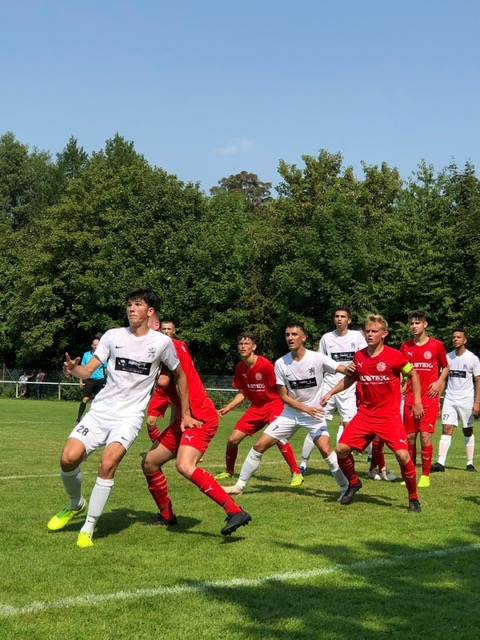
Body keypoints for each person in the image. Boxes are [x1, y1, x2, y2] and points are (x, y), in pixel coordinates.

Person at [47, 288, 198, 548]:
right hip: (101, 411)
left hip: (129, 417)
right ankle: (75, 503)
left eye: (137, 304)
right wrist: (74, 370)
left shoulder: (162, 343)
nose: (131, 308)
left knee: (107, 464)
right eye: (129, 304)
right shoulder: (112, 336)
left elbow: (180, 375)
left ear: (150, 311)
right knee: (67, 458)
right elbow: (88, 370)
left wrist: (184, 412)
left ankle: (88, 527)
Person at [141, 314, 251, 536]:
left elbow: (165, 381)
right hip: (185, 418)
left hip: (199, 416)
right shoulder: (172, 346)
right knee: (150, 463)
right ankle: (166, 515)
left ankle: (235, 511)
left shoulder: (170, 346)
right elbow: (176, 387)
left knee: (184, 465)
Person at [224, 322, 351, 498]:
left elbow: (345, 370)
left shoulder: (317, 358)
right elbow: (283, 396)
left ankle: (345, 488)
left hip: (314, 415)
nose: (290, 338)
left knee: (325, 448)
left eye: (294, 334)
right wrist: (305, 408)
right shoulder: (281, 363)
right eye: (287, 335)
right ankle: (239, 485)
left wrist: (351, 373)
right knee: (259, 445)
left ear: (303, 338)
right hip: (290, 414)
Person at [322, 314, 424, 512]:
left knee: (403, 456)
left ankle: (413, 498)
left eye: (374, 331)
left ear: (384, 334)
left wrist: (417, 401)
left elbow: (413, 374)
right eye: (367, 331)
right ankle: (354, 482)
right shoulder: (359, 356)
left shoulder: (395, 356)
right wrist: (330, 392)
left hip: (389, 417)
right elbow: (351, 378)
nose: (369, 334)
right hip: (365, 415)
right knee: (341, 449)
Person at [214, 332, 302, 486]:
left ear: (253, 347)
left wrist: (290, 404)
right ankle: (229, 471)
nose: (243, 347)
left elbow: (280, 388)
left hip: (274, 404)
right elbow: (242, 393)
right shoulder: (240, 367)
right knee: (232, 440)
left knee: (278, 437)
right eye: (241, 344)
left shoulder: (265, 365)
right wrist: (228, 407)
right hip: (256, 408)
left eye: (246, 344)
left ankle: (296, 472)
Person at [298, 308, 367, 475]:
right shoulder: (326, 338)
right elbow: (319, 362)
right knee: (315, 422)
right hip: (328, 386)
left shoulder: (357, 337)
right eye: (337, 316)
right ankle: (303, 463)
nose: (339, 319)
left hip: (348, 387)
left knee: (348, 427)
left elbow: (365, 357)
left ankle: (345, 467)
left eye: (343, 316)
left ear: (349, 320)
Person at [399, 310, 449, 487]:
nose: (414, 326)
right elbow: (401, 370)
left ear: (425, 324)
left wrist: (439, 382)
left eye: (417, 323)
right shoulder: (405, 346)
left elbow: (445, 367)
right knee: (410, 438)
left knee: (425, 436)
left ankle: (425, 476)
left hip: (429, 398)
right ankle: (411, 474)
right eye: (411, 323)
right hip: (410, 398)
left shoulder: (436, 345)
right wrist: (399, 387)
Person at [431, 329, 480, 473]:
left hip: (466, 399)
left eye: (458, 337)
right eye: (453, 337)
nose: (455, 339)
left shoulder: (473, 359)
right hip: (450, 398)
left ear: (465, 340)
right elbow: (443, 380)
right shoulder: (448, 357)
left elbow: (478, 380)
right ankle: (441, 463)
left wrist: (477, 402)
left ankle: (470, 463)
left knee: (467, 430)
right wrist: (438, 399)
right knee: (446, 428)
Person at [145, 318, 178, 442]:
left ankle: (173, 449)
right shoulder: (154, 346)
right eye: (164, 329)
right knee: (150, 422)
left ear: (174, 331)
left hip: (176, 388)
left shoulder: (180, 346)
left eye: (169, 329)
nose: (166, 331)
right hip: (160, 390)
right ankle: (158, 446)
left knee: (174, 424)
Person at [76, 338, 107, 424]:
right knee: (85, 398)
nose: (96, 346)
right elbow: (82, 368)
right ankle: (78, 418)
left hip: (100, 380)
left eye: (98, 345)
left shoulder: (103, 355)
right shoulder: (86, 355)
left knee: (99, 401)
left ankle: (97, 420)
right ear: (92, 345)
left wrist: (107, 380)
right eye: (95, 345)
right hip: (90, 380)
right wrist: (81, 380)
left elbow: (105, 369)